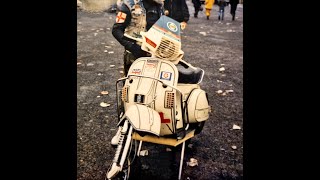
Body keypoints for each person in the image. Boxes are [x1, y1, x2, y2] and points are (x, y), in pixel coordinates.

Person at [111, 0, 164, 145]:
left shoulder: (159, 5)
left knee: (151, 90)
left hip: (154, 55)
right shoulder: (127, 5)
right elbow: (116, 30)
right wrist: (133, 48)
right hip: (133, 56)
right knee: (129, 92)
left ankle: (145, 125)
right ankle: (122, 128)